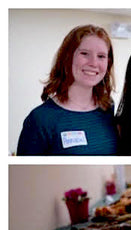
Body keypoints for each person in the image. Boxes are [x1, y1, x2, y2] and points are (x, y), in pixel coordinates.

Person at [17, 24, 118, 155]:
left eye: (101, 56)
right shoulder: (41, 119)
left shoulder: (107, 107)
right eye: (84, 53)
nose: (94, 63)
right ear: (67, 58)